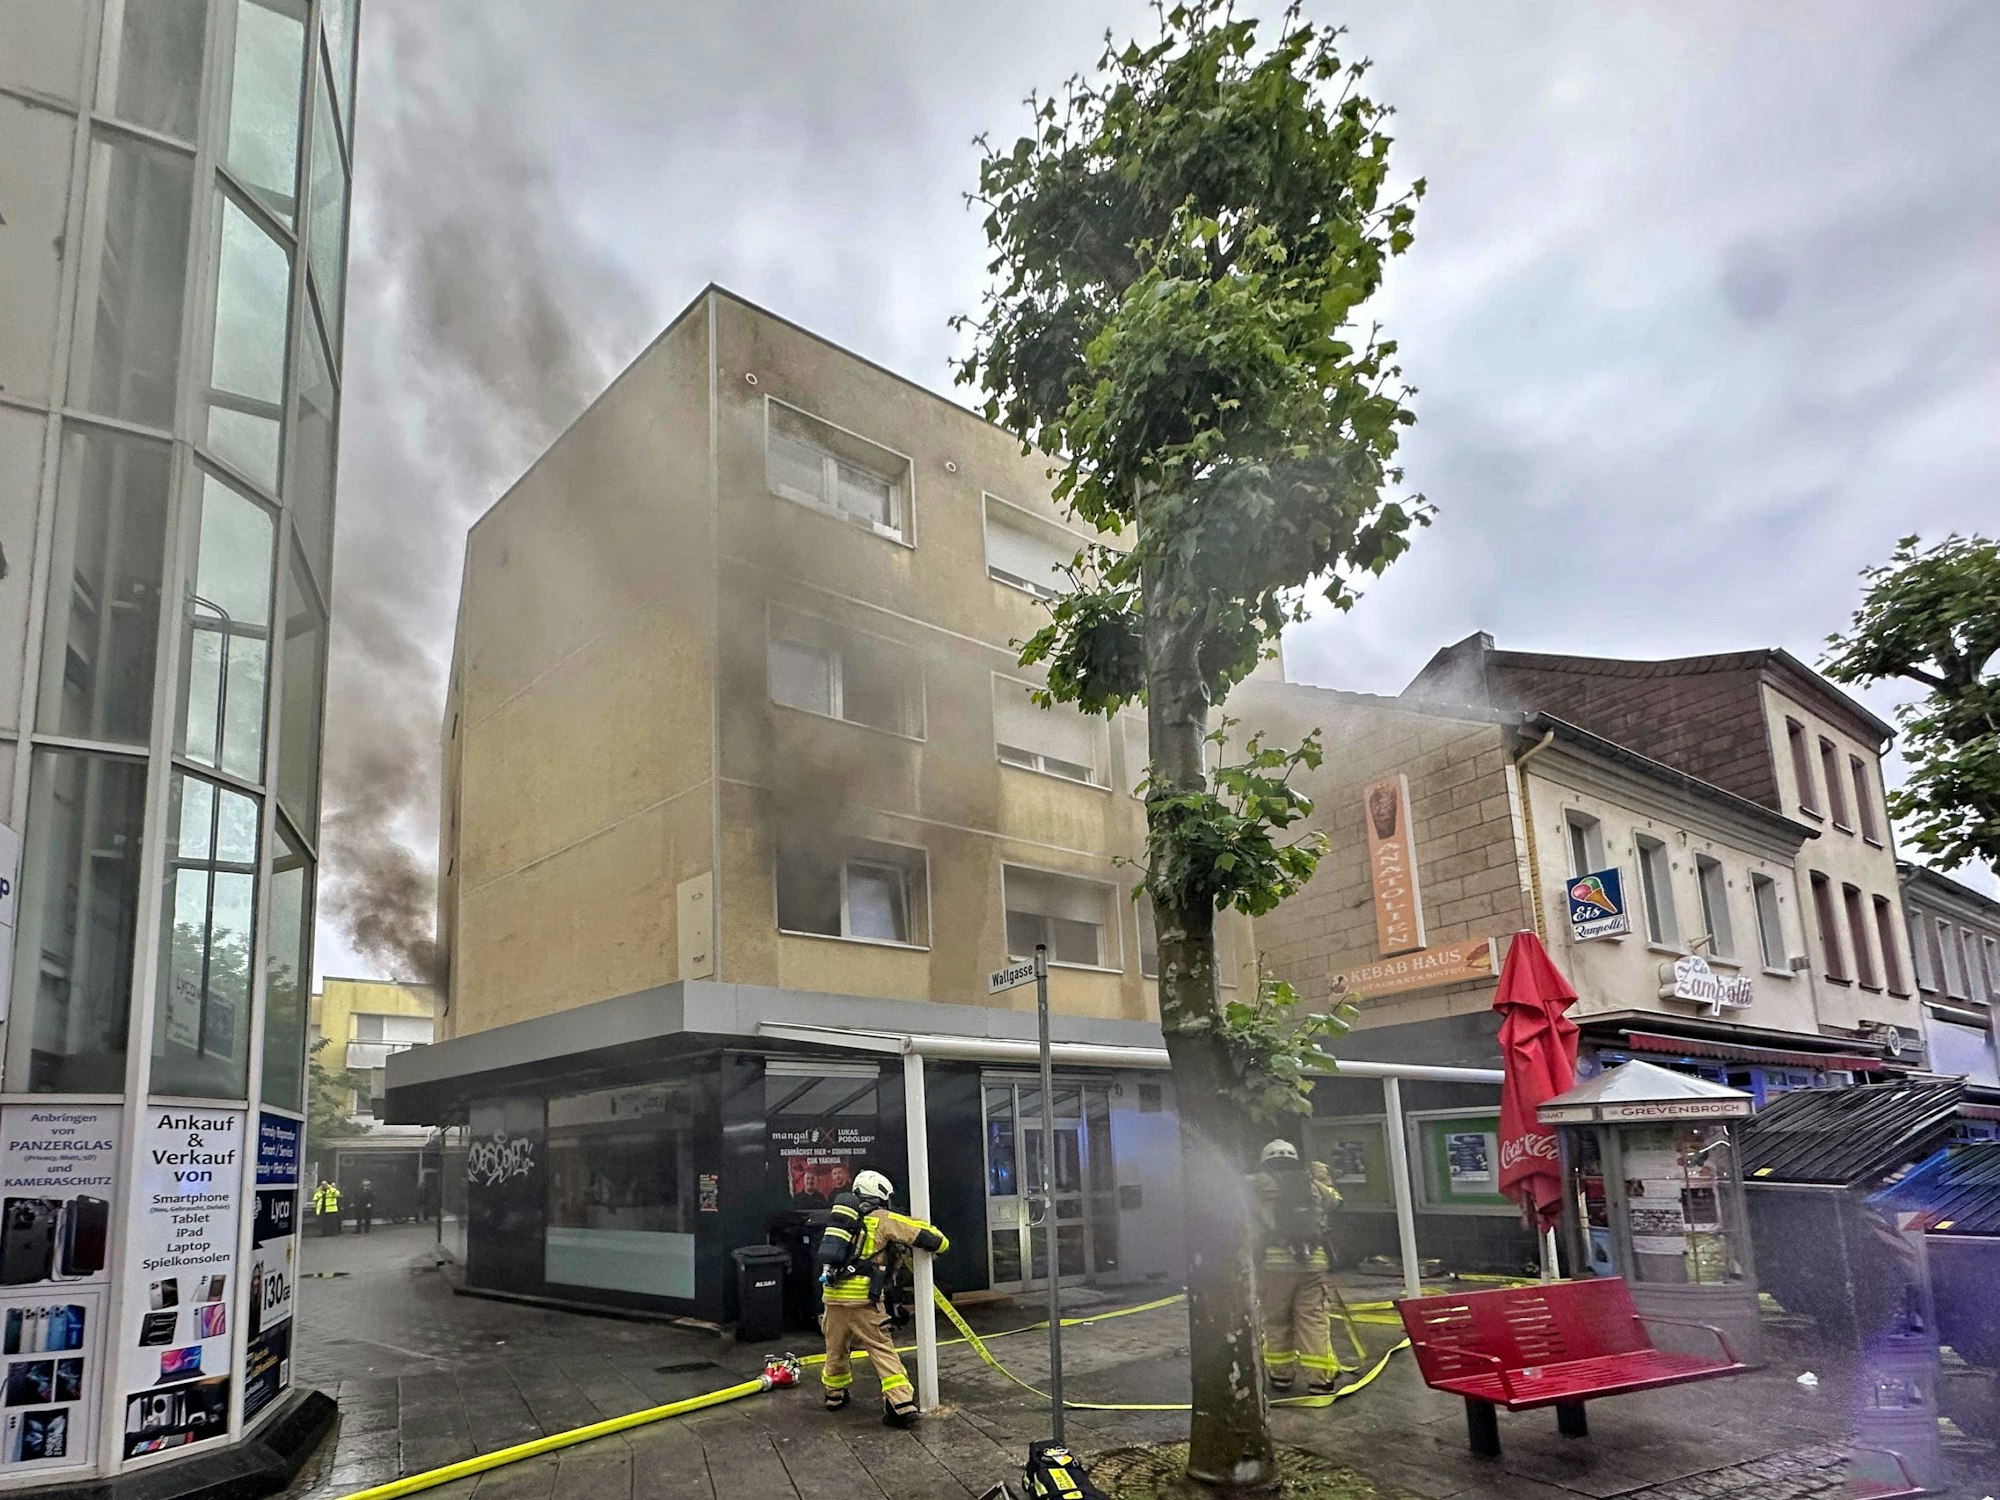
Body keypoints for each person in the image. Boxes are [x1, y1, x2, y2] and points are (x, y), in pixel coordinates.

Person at [814, 1169, 947, 1426]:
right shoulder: (882, 1219)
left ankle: (834, 1396)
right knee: (880, 1347)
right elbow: (923, 1235)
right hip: (864, 1298)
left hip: (832, 1296)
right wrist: (942, 1245)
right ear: (880, 1194)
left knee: (836, 1348)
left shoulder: (841, 1220)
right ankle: (901, 1404)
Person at [1249, 1138, 1342, 1396]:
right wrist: (1322, 1176)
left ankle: (1281, 1377)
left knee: (1277, 1321)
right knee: (1313, 1319)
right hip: (1314, 1264)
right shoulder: (1311, 1184)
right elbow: (1335, 1201)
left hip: (1273, 1265)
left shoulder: (1255, 1184)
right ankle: (1320, 1380)